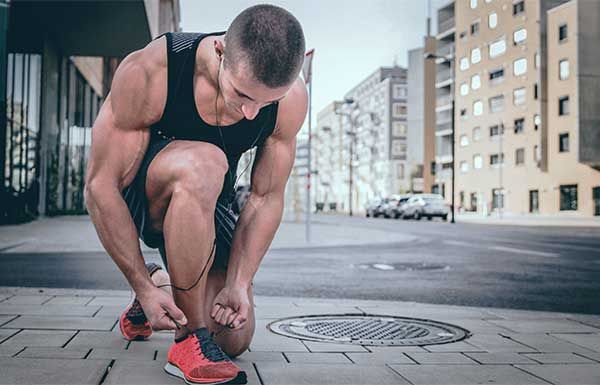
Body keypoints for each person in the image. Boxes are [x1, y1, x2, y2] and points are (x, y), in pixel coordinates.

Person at [84, 4, 307, 384]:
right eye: (242, 94)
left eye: (265, 103)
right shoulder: (154, 69)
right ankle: (187, 342)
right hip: (146, 195)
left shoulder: (290, 98)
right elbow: (100, 185)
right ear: (220, 52)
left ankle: (161, 288)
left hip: (208, 201)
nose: (252, 113)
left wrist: (239, 281)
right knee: (206, 161)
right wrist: (135, 278)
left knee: (234, 336)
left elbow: (265, 197)